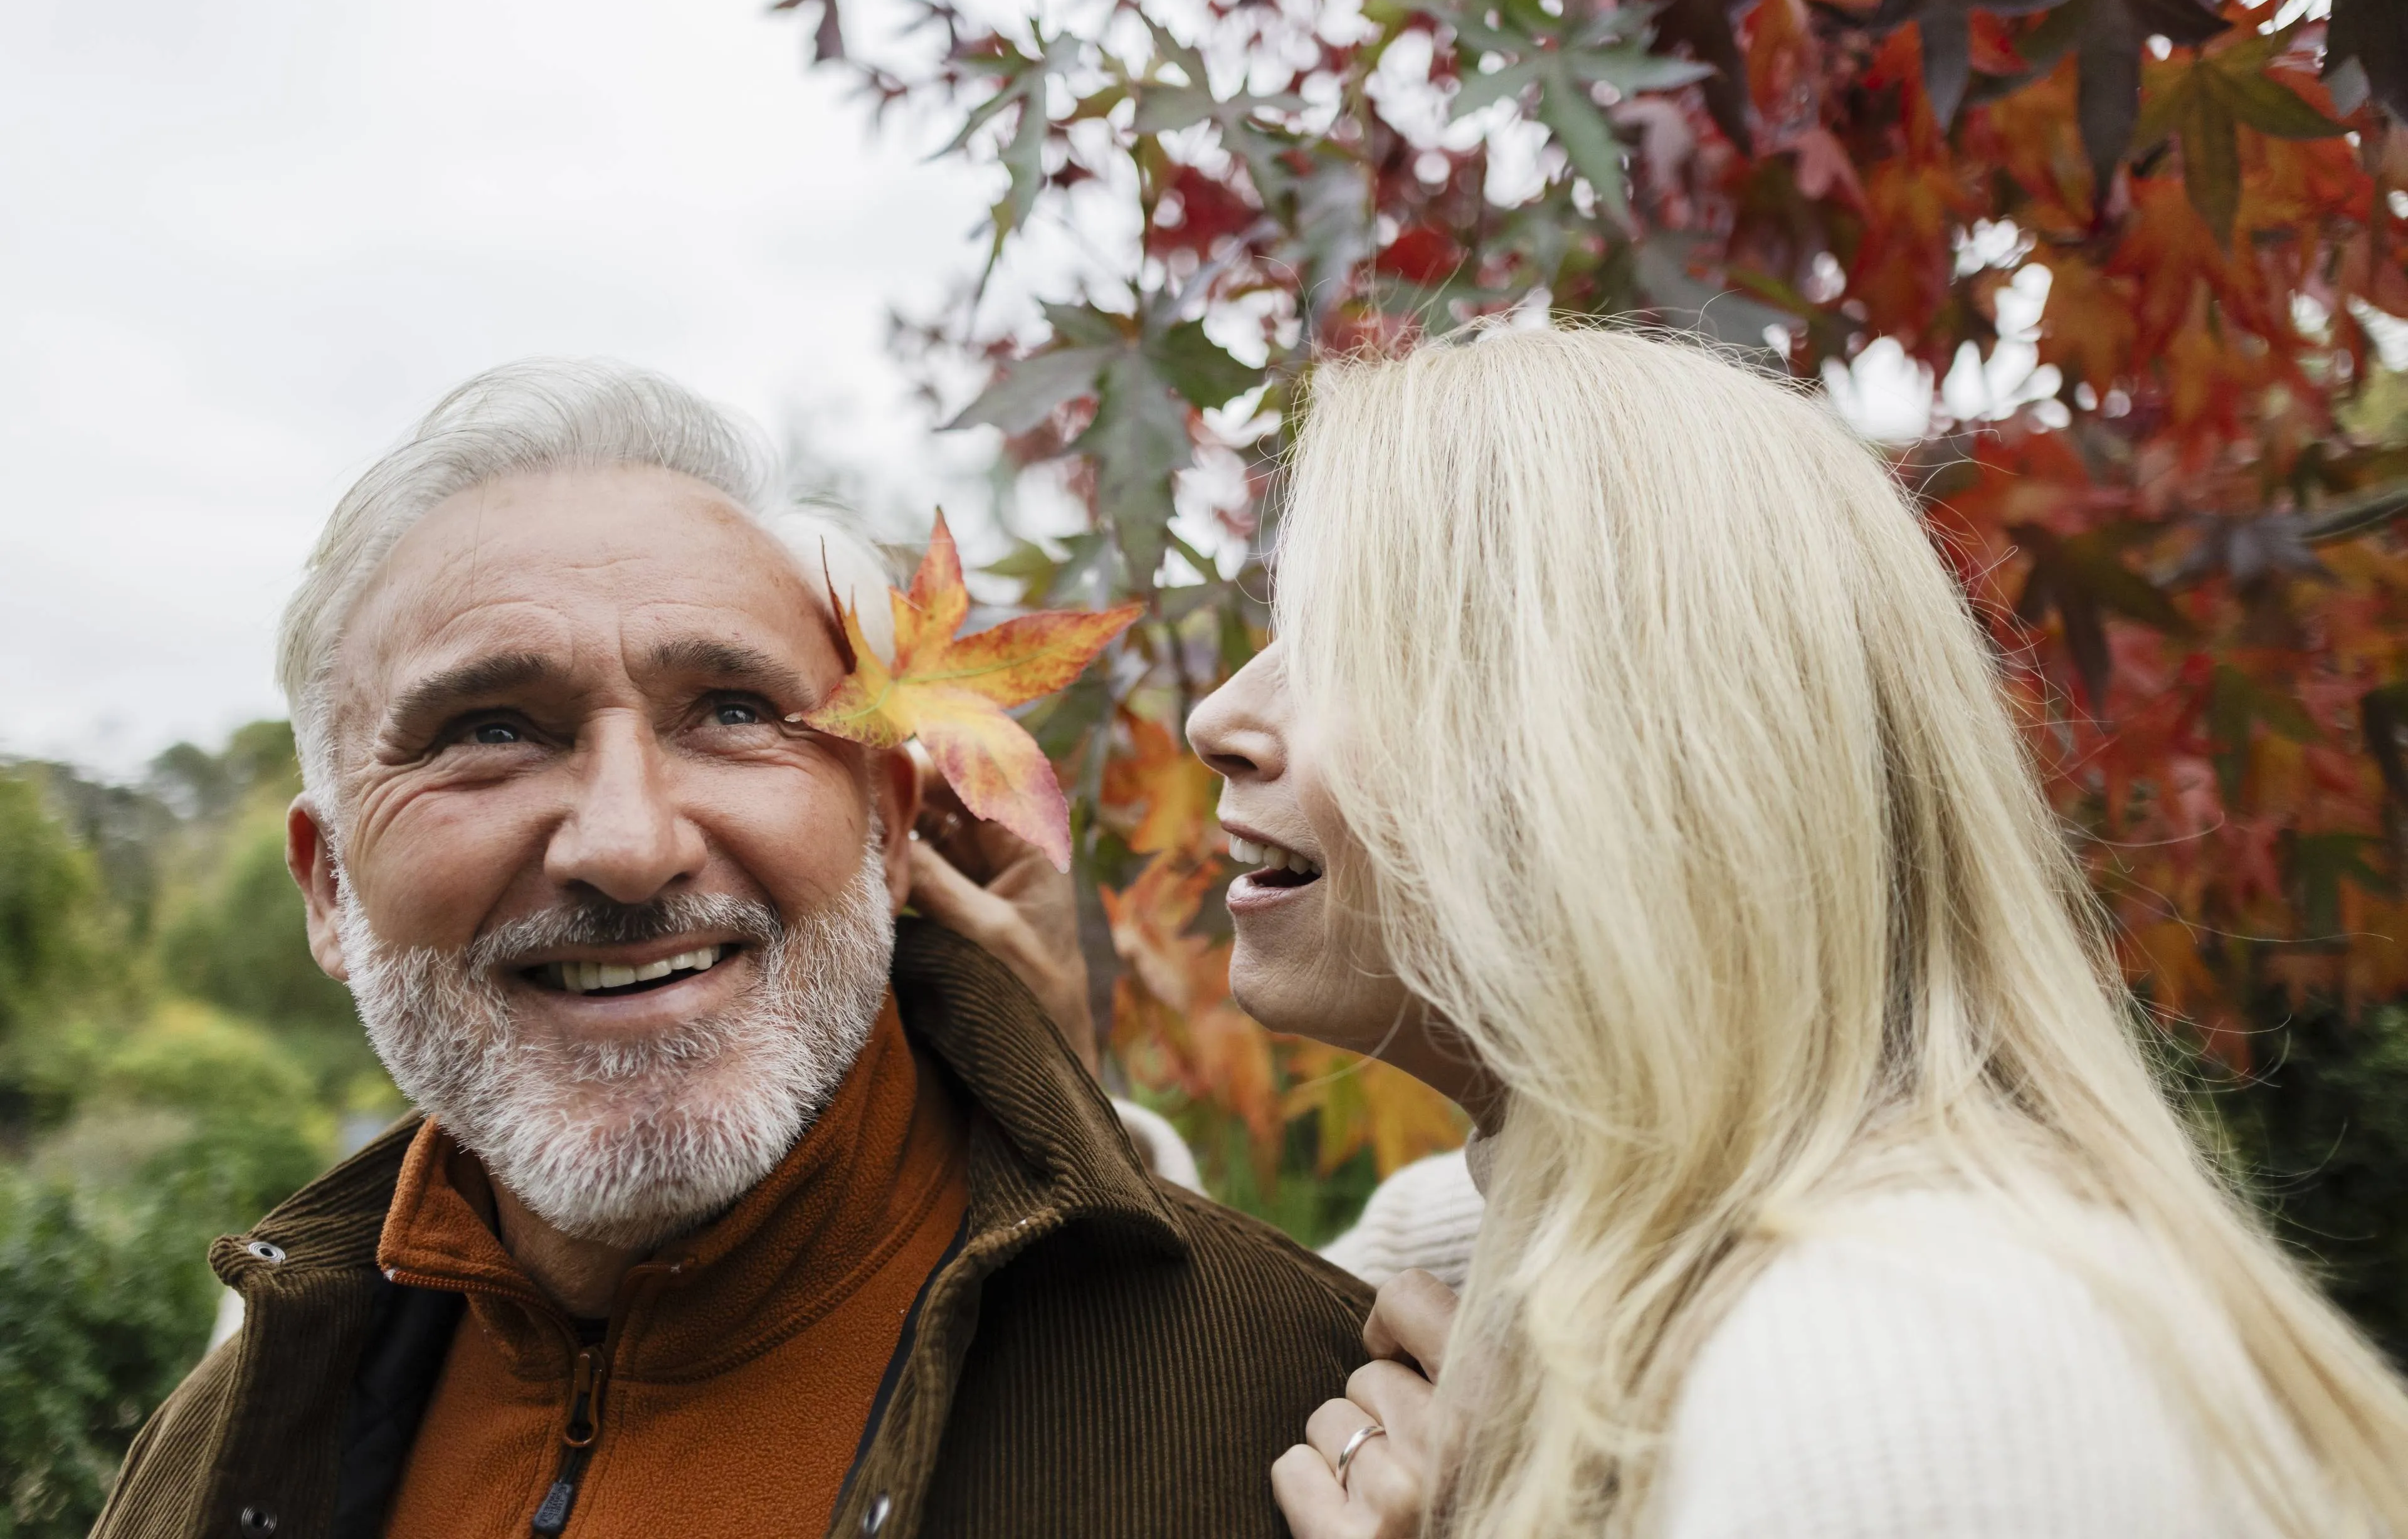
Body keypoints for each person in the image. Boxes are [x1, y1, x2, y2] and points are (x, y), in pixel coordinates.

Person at [94, 360, 1368, 1539]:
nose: (629, 843)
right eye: (489, 729)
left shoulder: (1301, 1422)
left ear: (888, 825)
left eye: (734, 710)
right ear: (329, 888)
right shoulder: (208, 1464)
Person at [1186, 325, 2408, 1538]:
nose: (1217, 716)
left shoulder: (1913, 1369)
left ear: (1630, 741)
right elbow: (1147, 1311)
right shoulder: (1502, 1233)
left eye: (1347, 645)